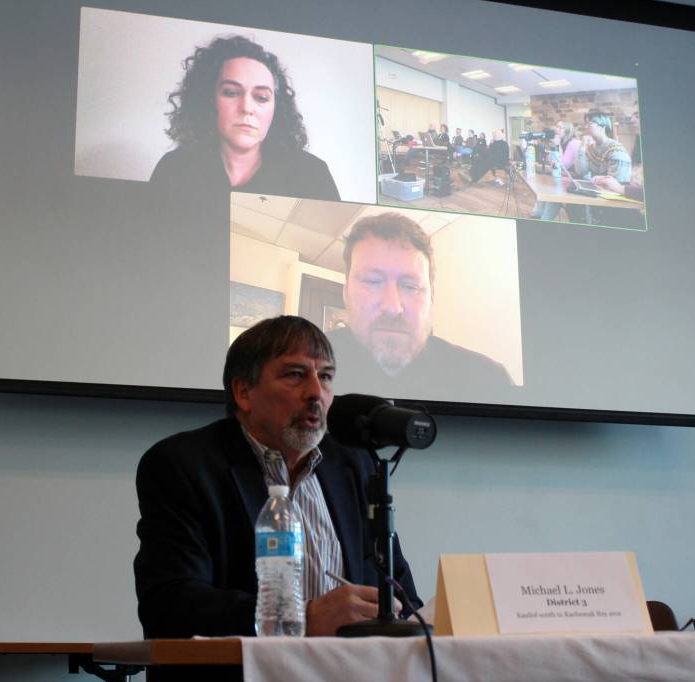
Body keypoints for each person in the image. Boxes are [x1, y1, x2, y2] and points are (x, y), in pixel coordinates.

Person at [134, 317, 421, 651]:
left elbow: (402, 593)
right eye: (295, 375)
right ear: (243, 392)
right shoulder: (185, 465)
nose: (316, 392)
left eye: (325, 376)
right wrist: (301, 619)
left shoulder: (353, 464)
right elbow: (169, 607)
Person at [329, 212, 514, 396]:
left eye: (411, 286)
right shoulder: (305, 366)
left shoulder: (489, 382)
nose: (393, 308)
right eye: (372, 281)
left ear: (432, 296)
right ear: (346, 293)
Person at [149, 35, 340, 202]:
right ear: (209, 99)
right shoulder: (174, 169)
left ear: (276, 109)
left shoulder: (312, 175)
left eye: (261, 97)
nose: (247, 108)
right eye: (231, 93)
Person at [531, 121, 581, 221]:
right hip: (565, 179)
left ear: (567, 131)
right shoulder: (561, 143)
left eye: (560, 128)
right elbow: (551, 162)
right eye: (556, 127)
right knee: (545, 191)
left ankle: (544, 221)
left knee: (552, 196)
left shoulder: (573, 143)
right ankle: (539, 215)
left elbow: (563, 165)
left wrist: (557, 147)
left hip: (577, 182)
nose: (557, 130)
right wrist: (554, 146)